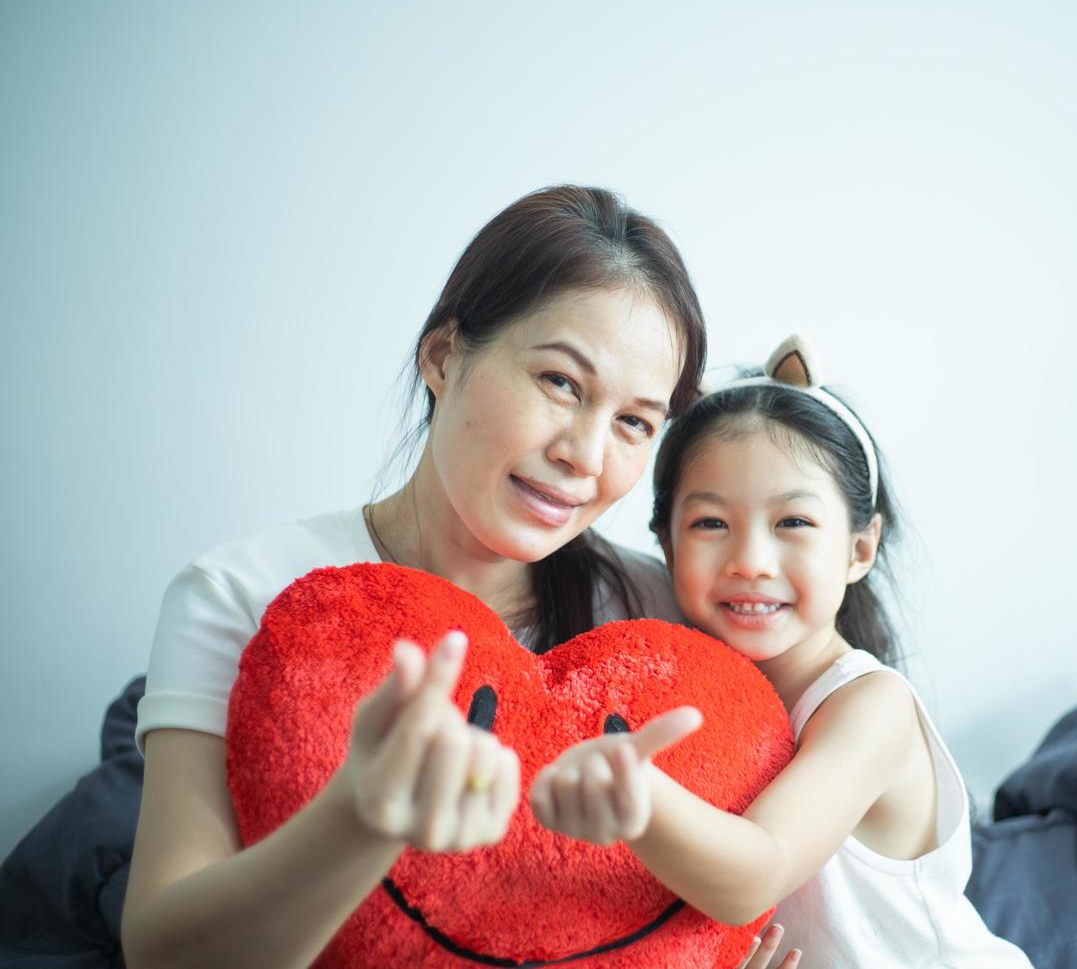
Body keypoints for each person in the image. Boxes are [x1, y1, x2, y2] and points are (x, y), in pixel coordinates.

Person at [120, 184, 796, 969]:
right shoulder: (241, 595)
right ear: (443, 355)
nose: (585, 453)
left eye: (634, 422)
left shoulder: (656, 618)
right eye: (560, 383)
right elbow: (162, 953)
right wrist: (361, 818)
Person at [529, 337, 1036, 968]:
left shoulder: (871, 706)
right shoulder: (686, 682)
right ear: (667, 545)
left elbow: (755, 873)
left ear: (859, 548)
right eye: (710, 523)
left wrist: (632, 792)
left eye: (792, 523)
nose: (749, 561)